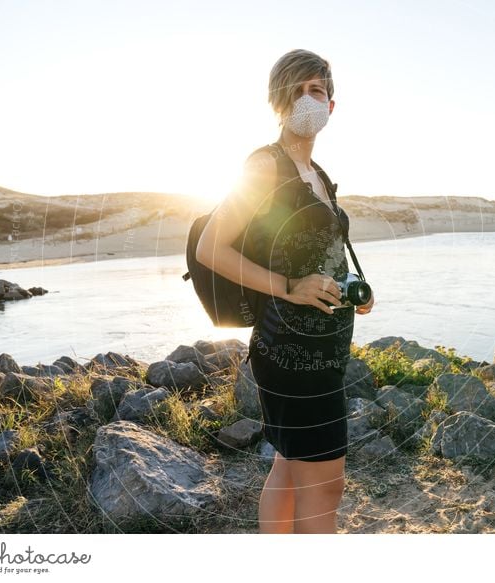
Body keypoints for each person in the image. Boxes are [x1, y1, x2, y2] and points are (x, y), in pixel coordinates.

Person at [196, 49, 374, 534]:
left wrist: (353, 290)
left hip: (325, 348)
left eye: (316, 91)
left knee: (292, 468)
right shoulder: (265, 165)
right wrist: (289, 287)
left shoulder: (319, 177)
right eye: (296, 91)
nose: (307, 100)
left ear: (331, 107)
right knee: (325, 486)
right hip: (290, 351)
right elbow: (214, 246)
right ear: (279, 102)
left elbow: (318, 252)